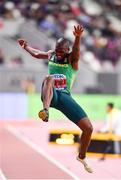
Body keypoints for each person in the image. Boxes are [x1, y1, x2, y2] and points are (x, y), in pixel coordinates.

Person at [18, 24, 93, 173]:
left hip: (64, 97)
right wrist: (26, 47)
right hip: (50, 94)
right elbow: (38, 53)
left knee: (89, 128)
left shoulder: (72, 60)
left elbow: (77, 51)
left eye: (61, 51)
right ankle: (45, 111)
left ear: (67, 50)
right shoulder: (52, 54)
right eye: (56, 50)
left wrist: (77, 38)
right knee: (49, 77)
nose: (58, 54)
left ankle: (82, 156)